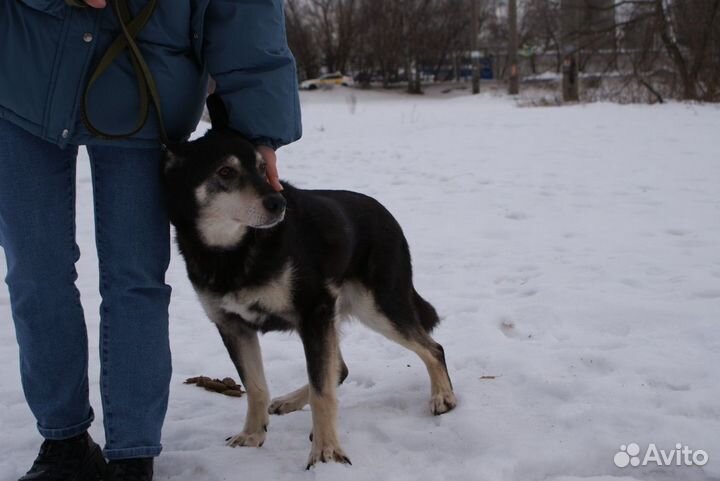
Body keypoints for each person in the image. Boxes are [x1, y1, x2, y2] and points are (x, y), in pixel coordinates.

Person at [0, 0, 302, 480]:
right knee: (34, 273)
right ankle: (63, 443)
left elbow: (245, 10)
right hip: (23, 73)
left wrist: (258, 125)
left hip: (145, 81)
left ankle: (132, 454)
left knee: (134, 279)